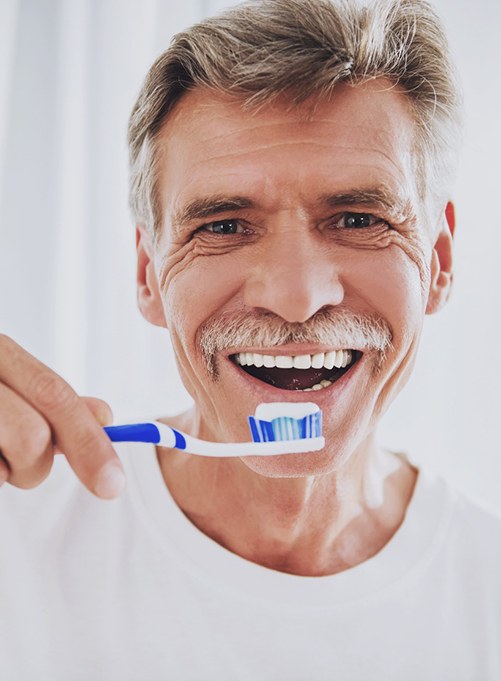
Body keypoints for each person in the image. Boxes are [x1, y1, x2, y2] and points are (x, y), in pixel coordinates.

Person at [0, 0, 500, 678]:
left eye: (357, 216)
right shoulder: (17, 542)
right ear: (148, 272)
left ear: (437, 260)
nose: (294, 296)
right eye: (224, 226)